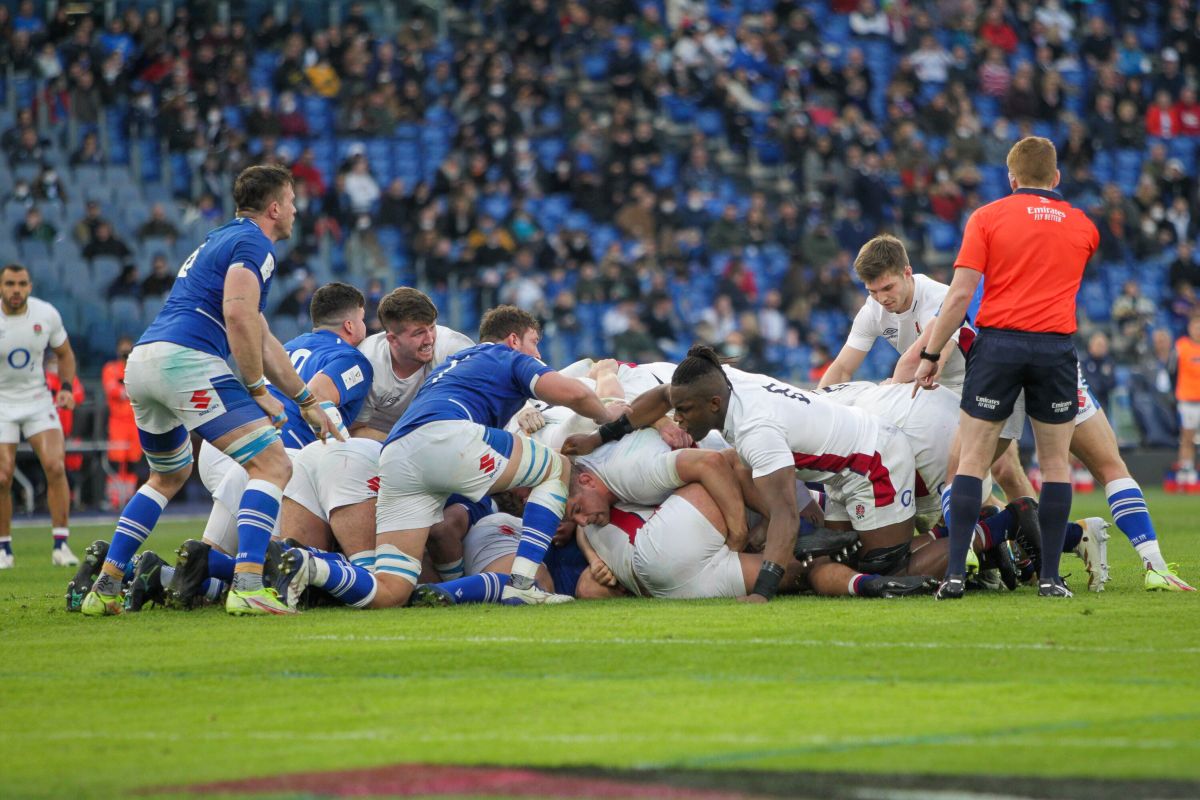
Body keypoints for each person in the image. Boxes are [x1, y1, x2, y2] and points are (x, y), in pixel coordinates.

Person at [76, 164, 341, 618]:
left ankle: (105, 586)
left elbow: (261, 336)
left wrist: (306, 401)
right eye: (292, 201)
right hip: (187, 360)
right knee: (273, 464)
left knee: (168, 475)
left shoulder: (220, 238)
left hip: (144, 362)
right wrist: (256, 388)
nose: (297, 210)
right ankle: (249, 585)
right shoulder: (255, 244)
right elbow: (237, 316)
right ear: (274, 207)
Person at [287, 306, 615, 609]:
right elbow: (575, 393)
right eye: (534, 342)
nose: (538, 353)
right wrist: (608, 414)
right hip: (445, 436)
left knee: (391, 590)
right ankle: (523, 584)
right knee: (558, 468)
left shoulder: (450, 366)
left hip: (397, 455)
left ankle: (311, 566)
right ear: (514, 339)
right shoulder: (507, 356)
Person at [565, 347, 938, 603]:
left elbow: (785, 514)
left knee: (891, 568)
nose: (677, 419)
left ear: (713, 405)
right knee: (840, 570)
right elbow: (662, 397)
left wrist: (763, 589)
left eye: (685, 412)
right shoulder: (719, 384)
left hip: (873, 463)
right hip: (839, 472)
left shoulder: (755, 429)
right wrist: (598, 436)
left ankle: (983, 533)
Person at [914, 136, 1098, 599]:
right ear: (1056, 178)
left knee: (973, 461)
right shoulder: (1084, 226)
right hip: (1055, 347)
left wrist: (931, 355)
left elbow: (958, 297)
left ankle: (954, 574)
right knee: (1055, 464)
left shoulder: (988, 217)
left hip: (999, 345)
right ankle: (1052, 579)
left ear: (1011, 177)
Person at [0, 264, 80, 569]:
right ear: (1, 287)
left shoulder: (46, 314)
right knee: (2, 476)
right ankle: (3, 548)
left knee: (55, 466)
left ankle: (61, 545)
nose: (16, 289)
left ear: (30, 286)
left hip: (36, 399)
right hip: (2, 403)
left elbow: (66, 354)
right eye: (9, 283)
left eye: (21, 283)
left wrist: (67, 388)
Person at [350, 287, 474, 440]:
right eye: (419, 333)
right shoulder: (366, 365)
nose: (429, 339)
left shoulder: (455, 349)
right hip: (384, 442)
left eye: (432, 327)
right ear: (393, 339)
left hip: (442, 434)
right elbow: (353, 430)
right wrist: (405, 446)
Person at [1173, 314, 1200, 490]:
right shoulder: (1181, 346)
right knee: (1187, 437)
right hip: (1187, 399)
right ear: (1189, 328)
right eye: (1195, 326)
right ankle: (1185, 471)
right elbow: (1171, 370)